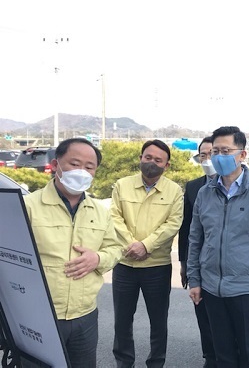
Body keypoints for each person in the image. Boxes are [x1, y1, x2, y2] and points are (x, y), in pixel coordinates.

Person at [23, 138, 122, 367]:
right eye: (74, 164)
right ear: (56, 165)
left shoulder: (100, 211)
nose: (82, 171)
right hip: (40, 314)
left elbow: (115, 249)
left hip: (84, 315)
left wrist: (97, 258)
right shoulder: (28, 206)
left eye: (89, 167)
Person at [187, 126, 249, 368]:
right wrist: (194, 280)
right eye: (215, 151)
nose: (219, 156)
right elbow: (195, 239)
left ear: (242, 155)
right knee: (223, 353)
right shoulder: (204, 193)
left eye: (226, 150)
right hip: (211, 287)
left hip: (245, 288)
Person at [110, 139, 183, 368]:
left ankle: (156, 362)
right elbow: (113, 218)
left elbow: (173, 223)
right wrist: (132, 245)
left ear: (167, 165)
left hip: (157, 266)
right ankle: (124, 361)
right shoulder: (122, 185)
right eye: (148, 157)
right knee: (122, 321)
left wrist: (146, 245)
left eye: (158, 160)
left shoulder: (174, 190)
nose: (152, 162)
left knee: (158, 321)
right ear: (141, 158)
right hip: (124, 264)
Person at [178, 136, 217, 368]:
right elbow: (186, 230)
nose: (207, 159)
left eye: (212, 153)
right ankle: (210, 357)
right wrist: (184, 264)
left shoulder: (239, 186)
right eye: (203, 154)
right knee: (202, 312)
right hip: (198, 263)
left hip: (227, 266)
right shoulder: (193, 187)